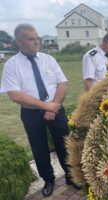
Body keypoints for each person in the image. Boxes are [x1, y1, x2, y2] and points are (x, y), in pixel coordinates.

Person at [0, 24, 81, 197]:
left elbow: (62, 84)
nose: (36, 42)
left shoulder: (48, 59)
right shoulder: (11, 65)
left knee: (64, 144)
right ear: (20, 41)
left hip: (56, 108)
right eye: (31, 39)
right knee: (39, 148)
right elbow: (14, 95)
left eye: (37, 38)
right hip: (31, 113)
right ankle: (49, 180)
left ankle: (70, 176)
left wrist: (53, 106)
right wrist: (46, 106)